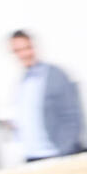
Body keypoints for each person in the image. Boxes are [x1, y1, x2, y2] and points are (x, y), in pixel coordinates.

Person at [9, 30, 83, 161]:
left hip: (56, 154)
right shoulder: (23, 82)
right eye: (18, 50)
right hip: (32, 157)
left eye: (27, 48)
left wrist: (65, 151)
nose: (24, 54)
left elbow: (72, 115)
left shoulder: (55, 75)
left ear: (34, 47)